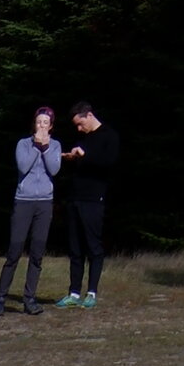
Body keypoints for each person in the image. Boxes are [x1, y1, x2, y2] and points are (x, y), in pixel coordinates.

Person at [0, 108, 60, 318]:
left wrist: (46, 147)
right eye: (39, 121)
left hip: (44, 202)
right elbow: (23, 165)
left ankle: (29, 298)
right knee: (15, 250)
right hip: (24, 201)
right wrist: (36, 146)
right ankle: (0, 298)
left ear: (51, 126)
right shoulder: (23, 144)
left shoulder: (55, 145)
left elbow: (54, 169)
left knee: (37, 253)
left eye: (46, 122)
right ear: (34, 124)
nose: (42, 125)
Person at [54, 102, 118, 308]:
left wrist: (85, 156)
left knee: (93, 246)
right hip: (75, 198)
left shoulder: (109, 136)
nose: (79, 129)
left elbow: (108, 164)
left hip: (94, 199)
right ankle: (73, 293)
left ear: (89, 115)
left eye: (80, 124)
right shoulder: (83, 138)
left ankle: (91, 293)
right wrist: (71, 158)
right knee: (75, 248)